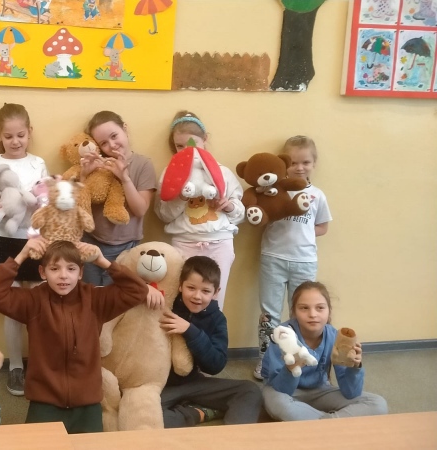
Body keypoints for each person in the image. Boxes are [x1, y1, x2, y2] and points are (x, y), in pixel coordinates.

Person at [0, 238, 153, 433]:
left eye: (71, 269)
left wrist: (102, 261)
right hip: (45, 402)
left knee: (90, 446)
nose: (63, 275)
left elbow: (138, 290)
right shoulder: (34, 301)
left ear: (80, 273)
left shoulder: (95, 300)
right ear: (43, 272)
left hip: (87, 403)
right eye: (54, 269)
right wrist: (21, 256)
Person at [0, 103, 49, 396]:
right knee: (12, 308)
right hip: (2, 239)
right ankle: (16, 367)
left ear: (30, 132)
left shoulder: (38, 163)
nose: (15, 141)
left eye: (20, 135)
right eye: (8, 136)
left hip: (33, 239)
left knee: (41, 304)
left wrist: (39, 203)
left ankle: (41, 363)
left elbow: (46, 198)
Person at [254, 135, 332, 380]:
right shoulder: (273, 192)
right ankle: (266, 360)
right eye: (294, 163)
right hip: (273, 258)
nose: (299, 167)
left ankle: (299, 358)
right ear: (284, 164)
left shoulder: (317, 195)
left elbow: (323, 227)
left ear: (314, 164)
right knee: (269, 314)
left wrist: (304, 233)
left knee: (300, 312)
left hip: (304, 262)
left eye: (305, 162)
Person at [154, 110, 244, 311]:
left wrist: (228, 205)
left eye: (193, 143)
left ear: (205, 139)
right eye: (180, 146)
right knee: (181, 301)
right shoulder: (170, 174)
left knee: (214, 303)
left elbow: (240, 213)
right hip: (184, 243)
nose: (188, 150)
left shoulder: (223, 172)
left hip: (220, 243)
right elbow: (163, 215)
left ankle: (211, 333)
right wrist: (180, 198)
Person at [159, 256, 262, 428]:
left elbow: (216, 365)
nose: (197, 296)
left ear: (216, 292)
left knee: (250, 391)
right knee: (143, 414)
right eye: (191, 288)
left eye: (205, 291)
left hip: (194, 383)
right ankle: (196, 413)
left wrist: (191, 331)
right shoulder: (168, 306)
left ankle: (233, 439)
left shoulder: (217, 319)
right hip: (162, 388)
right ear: (180, 285)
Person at [260, 281, 388, 421]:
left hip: (320, 391)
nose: (312, 314)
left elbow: (351, 392)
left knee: (377, 404)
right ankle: (329, 423)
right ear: (294, 311)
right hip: (286, 393)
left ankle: (321, 422)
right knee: (278, 403)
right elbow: (281, 389)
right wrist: (290, 369)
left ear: (329, 311)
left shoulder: (334, 336)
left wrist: (354, 367)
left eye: (320, 308)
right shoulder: (282, 335)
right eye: (304, 308)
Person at [81, 110, 156, 286]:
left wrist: (125, 179)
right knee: (90, 295)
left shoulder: (143, 164)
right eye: (104, 143)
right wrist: (84, 176)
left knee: (115, 297)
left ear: (125, 129)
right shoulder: (98, 164)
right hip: (91, 242)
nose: (112, 145)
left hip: (126, 248)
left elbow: (140, 210)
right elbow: (81, 204)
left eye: (114, 136)